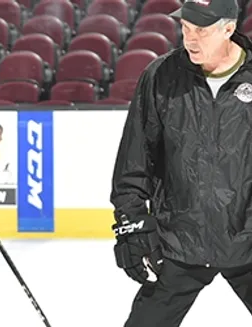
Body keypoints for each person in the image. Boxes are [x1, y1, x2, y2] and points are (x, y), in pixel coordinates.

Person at [110, 1, 252, 326]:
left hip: (248, 242)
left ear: (228, 28)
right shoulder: (161, 75)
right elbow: (134, 159)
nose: (190, 38)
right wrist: (130, 224)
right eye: (185, 28)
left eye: (200, 29)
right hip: (179, 242)